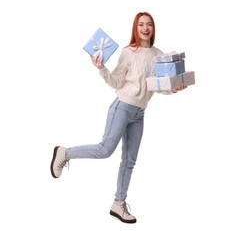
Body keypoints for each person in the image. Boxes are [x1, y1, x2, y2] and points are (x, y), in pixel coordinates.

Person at [50, 12, 186, 224]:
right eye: (141, 24)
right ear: (135, 27)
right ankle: (64, 153)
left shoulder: (159, 55)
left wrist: (174, 89)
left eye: (149, 24)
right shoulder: (128, 52)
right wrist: (101, 68)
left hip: (140, 113)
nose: (145, 28)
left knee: (129, 161)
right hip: (122, 107)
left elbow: (157, 86)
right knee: (105, 150)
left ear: (153, 28)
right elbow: (116, 82)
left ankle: (118, 203)